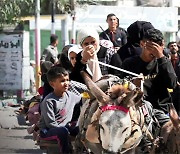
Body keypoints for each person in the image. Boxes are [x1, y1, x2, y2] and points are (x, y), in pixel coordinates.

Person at [121, 28, 177, 116]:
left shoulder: (163, 62)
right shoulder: (129, 63)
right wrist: (133, 85)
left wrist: (160, 56)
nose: (153, 51)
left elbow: (172, 84)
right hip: (137, 111)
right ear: (142, 44)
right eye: (150, 47)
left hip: (160, 110)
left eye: (157, 47)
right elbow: (121, 88)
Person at [39, 66, 82, 153]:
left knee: (81, 128)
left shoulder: (71, 96)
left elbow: (82, 98)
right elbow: (50, 124)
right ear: (52, 84)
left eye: (67, 80)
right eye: (62, 81)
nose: (66, 83)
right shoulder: (49, 101)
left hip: (66, 128)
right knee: (63, 131)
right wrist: (67, 132)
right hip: (48, 131)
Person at [167, 41, 180, 114]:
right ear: (168, 48)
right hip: (170, 88)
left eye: (175, 46)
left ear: (177, 48)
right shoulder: (166, 60)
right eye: (171, 46)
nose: (173, 47)